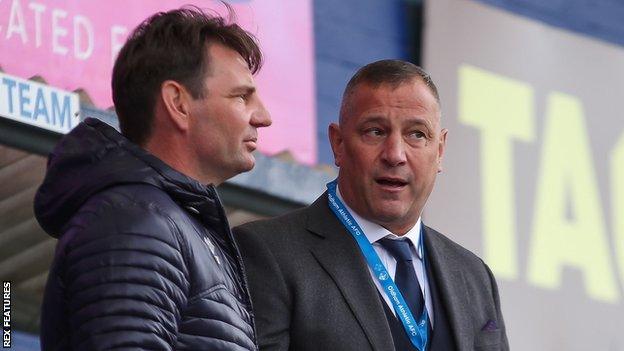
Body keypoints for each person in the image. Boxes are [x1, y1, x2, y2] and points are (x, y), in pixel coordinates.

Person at [34, 7, 271, 351]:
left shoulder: (166, 222)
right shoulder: (135, 222)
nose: (263, 117)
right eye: (241, 96)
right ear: (178, 103)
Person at [234, 60, 509, 351]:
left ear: (439, 151)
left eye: (416, 134)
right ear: (338, 144)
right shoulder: (267, 252)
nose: (395, 155)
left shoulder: (474, 276)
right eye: (375, 131)